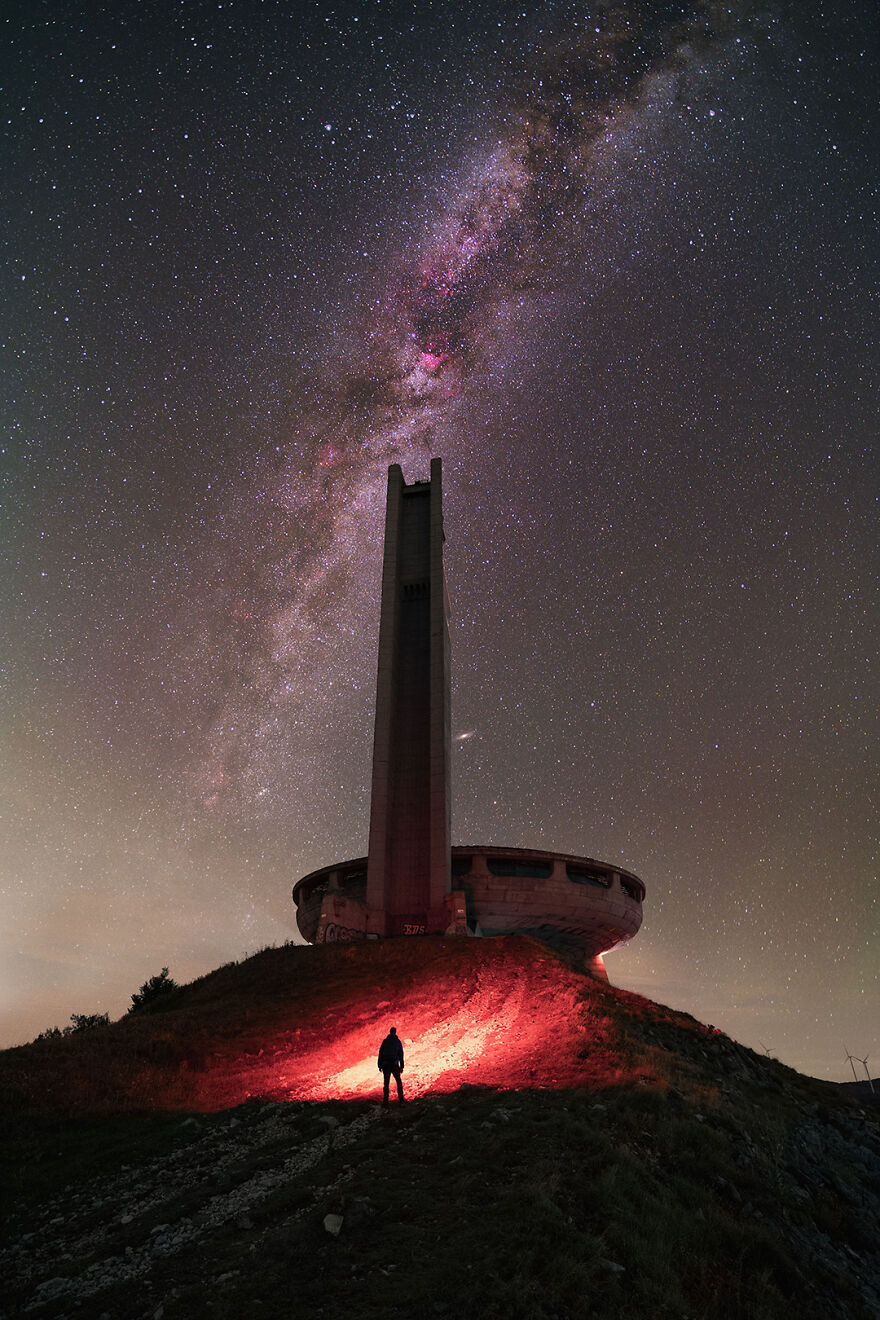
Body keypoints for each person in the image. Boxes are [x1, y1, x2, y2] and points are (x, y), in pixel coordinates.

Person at [377, 1026, 405, 1105]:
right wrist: (402, 1066)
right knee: (398, 1082)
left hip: (385, 1065)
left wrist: (379, 1065)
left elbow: (381, 1053)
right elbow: (400, 1054)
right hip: (394, 1064)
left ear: (390, 1032)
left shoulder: (385, 1041)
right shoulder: (397, 1041)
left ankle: (386, 1102)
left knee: (386, 1084)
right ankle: (401, 1100)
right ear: (395, 1032)